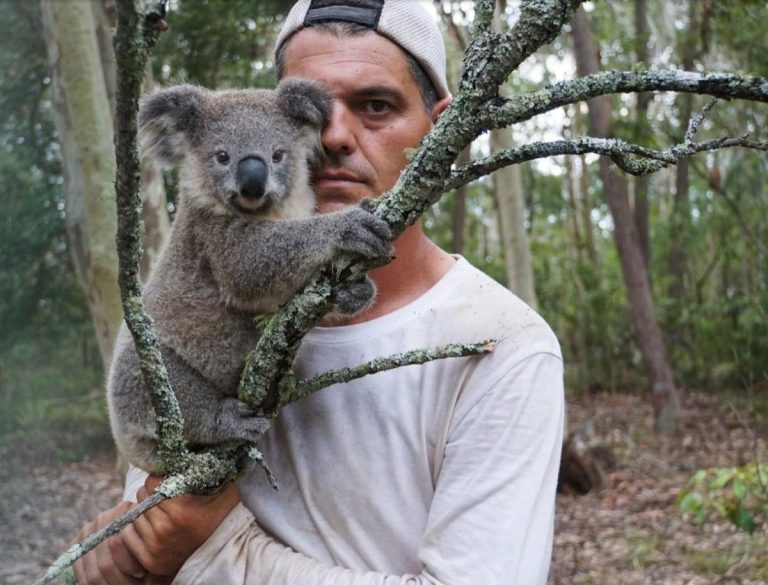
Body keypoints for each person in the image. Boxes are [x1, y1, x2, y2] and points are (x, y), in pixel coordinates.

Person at [72, 1, 564, 583]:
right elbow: (156, 517)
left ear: (444, 130)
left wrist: (215, 548)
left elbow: (188, 539)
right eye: (311, 117)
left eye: (375, 106)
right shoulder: (195, 290)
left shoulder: (502, 347)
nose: (331, 138)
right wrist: (123, 559)